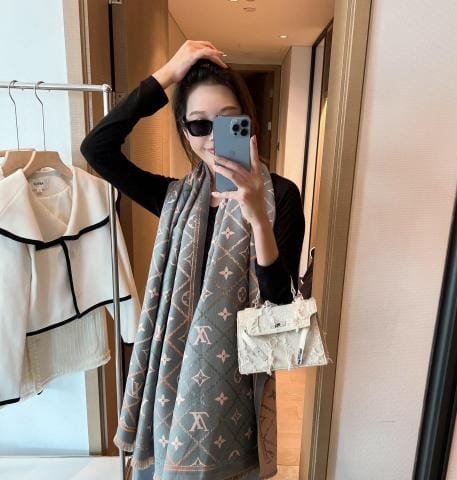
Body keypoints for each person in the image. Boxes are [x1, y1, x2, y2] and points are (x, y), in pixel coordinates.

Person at [81, 40, 305, 480]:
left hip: (239, 378)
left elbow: (281, 305)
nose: (212, 138)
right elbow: (97, 149)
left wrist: (258, 217)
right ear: (184, 132)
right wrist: (167, 73)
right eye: (199, 125)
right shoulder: (173, 199)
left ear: (247, 121)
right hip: (172, 377)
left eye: (227, 121)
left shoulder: (281, 195)